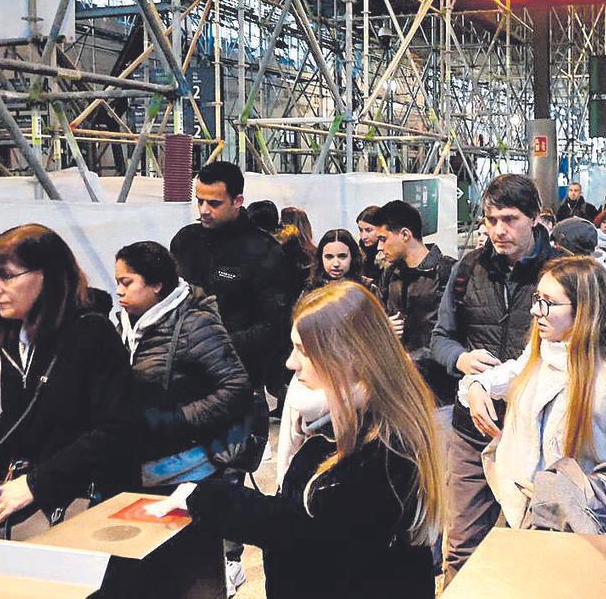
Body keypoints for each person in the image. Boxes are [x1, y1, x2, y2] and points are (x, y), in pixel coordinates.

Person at [183, 281, 445, 596]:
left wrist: (215, 500)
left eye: (304, 352)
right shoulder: (349, 422)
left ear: (346, 356)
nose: (290, 363)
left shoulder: (381, 449)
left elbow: (305, 533)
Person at [459, 257, 606, 567]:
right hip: (525, 520)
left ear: (584, 310)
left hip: (580, 536)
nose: (536, 310)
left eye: (549, 302)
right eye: (537, 299)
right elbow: (505, 374)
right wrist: (476, 388)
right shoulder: (540, 356)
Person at [430, 174, 564, 580]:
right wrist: (462, 360)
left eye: (509, 219)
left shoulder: (563, 273)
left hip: (540, 432)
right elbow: (441, 338)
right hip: (473, 429)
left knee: (542, 550)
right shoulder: (467, 269)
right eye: (490, 220)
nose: (498, 230)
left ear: (536, 218)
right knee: (463, 546)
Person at [0, 225, 136, 531]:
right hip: (36, 499)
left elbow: (117, 431)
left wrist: (36, 485)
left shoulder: (92, 333)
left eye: (7, 276)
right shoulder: (15, 337)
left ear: (48, 275)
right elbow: (19, 416)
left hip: (88, 506)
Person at [169, 161, 284, 589]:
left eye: (213, 202)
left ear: (238, 200)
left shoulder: (263, 252)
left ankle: (229, 563)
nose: (203, 209)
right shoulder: (185, 243)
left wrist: (218, 347)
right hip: (180, 385)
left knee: (224, 477)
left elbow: (276, 325)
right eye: (198, 200)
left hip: (234, 386)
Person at [110, 242, 251, 489]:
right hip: (137, 459)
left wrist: (178, 418)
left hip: (187, 464)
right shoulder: (121, 325)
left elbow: (236, 387)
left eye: (127, 282)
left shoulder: (195, 324)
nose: (119, 291)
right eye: (117, 282)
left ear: (156, 284)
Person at [369, 200, 458, 405]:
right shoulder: (390, 274)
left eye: (383, 239)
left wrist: (417, 359)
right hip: (399, 385)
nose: (380, 247)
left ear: (405, 235)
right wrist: (385, 328)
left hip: (440, 388)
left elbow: (455, 332)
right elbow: (380, 317)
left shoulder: (446, 271)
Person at [303, 228, 380, 298]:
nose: (336, 264)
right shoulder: (311, 289)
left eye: (342, 256)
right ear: (321, 258)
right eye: (329, 257)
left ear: (353, 257)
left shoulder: (367, 288)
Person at [355, 205, 383, 280]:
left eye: (368, 230)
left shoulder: (390, 253)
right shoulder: (356, 250)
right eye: (361, 230)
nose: (363, 236)